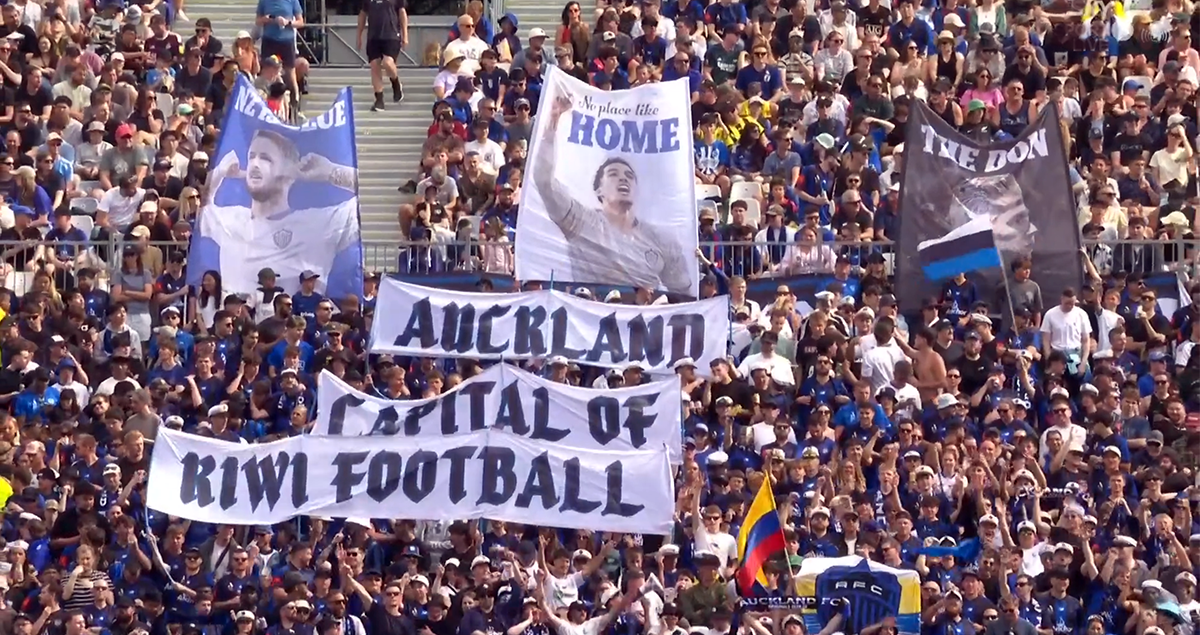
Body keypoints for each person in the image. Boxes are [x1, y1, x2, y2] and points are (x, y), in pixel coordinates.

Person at [530, 94, 692, 294]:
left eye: (629, 176)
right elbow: (544, 181)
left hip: (644, 317)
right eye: (614, 174)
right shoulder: (581, 222)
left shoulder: (662, 239)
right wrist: (553, 121)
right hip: (591, 311)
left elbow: (683, 294)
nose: (623, 179)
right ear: (599, 189)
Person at [195, 129, 360, 298]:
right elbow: (203, 209)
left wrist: (332, 172)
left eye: (266, 158)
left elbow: (371, 201)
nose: (255, 164)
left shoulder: (318, 224)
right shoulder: (231, 220)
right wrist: (219, 173)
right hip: (240, 320)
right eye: (252, 156)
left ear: (290, 174)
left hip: (294, 320)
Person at [357, 0, 407, 111]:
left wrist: (405, 35)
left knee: (388, 62)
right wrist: (359, 35)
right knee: (374, 65)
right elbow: (363, 14)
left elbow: (402, 12)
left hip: (391, 35)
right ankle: (379, 100)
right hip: (373, 36)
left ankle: (395, 82)